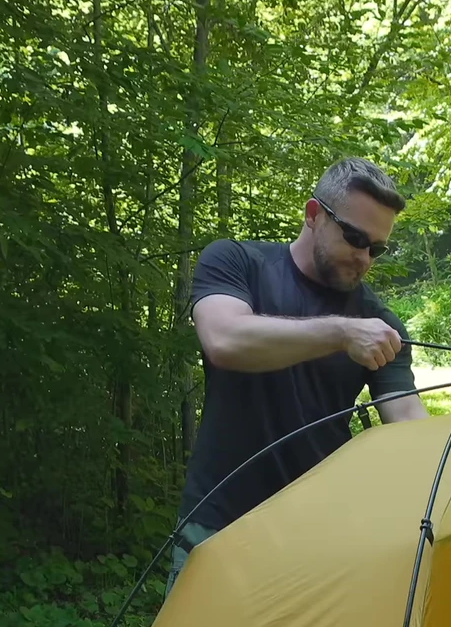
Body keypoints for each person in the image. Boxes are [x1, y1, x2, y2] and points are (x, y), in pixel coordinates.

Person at [172, 158, 422, 576]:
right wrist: (341, 333)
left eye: (377, 249)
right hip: (217, 522)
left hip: (316, 535)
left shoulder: (379, 323)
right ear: (313, 214)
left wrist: (450, 462)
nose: (364, 258)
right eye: (355, 238)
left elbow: (407, 416)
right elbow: (224, 339)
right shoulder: (236, 262)